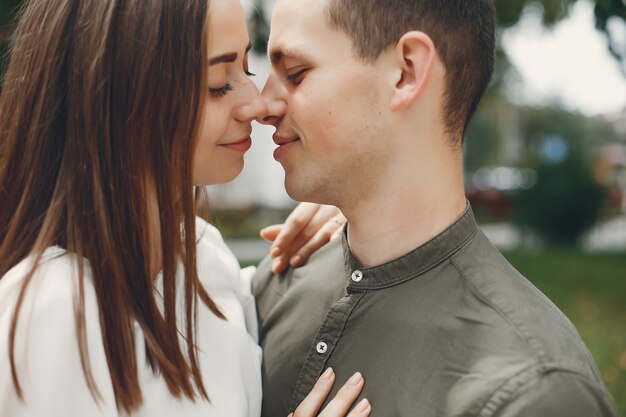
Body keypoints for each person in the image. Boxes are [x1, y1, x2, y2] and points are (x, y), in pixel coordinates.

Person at [0, 0, 370, 416]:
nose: (257, 104)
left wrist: (354, 220)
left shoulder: (207, 261)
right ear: (118, 96)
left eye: (246, 69)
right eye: (217, 82)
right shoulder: (49, 311)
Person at [252, 0, 619, 416]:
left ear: (406, 71)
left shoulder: (535, 393)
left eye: (296, 74)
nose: (263, 105)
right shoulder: (278, 279)